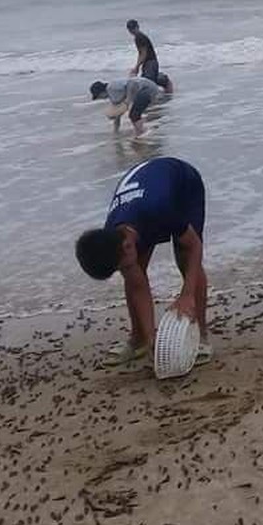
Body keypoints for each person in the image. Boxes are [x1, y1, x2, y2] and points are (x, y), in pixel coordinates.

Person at [75, 157, 210, 368]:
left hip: (183, 185)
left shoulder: (160, 209)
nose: (124, 270)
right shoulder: (112, 234)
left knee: (185, 257)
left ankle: (201, 337)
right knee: (134, 273)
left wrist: (187, 295)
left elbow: (194, 247)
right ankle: (139, 339)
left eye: (122, 265)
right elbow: (136, 284)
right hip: (144, 195)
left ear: (128, 245)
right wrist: (152, 340)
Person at [90, 77, 164, 135]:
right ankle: (152, 127)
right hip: (149, 88)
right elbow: (118, 114)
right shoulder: (113, 95)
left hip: (146, 88)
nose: (101, 98)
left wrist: (128, 99)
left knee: (134, 115)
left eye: (99, 96)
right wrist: (116, 131)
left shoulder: (111, 87)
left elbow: (132, 83)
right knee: (137, 114)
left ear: (101, 92)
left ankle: (141, 133)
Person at [127, 19, 172, 92]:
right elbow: (140, 53)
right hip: (149, 63)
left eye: (133, 28)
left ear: (137, 27)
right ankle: (166, 82)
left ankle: (165, 80)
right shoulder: (138, 37)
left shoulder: (139, 37)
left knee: (148, 83)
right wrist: (138, 66)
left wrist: (136, 67)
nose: (132, 31)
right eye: (130, 29)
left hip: (150, 63)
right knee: (147, 81)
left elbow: (144, 53)